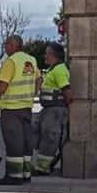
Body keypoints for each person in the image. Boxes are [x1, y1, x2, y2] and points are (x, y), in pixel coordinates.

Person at [0, 35, 40, 186]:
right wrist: (32, 93)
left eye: (6, 45)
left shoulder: (11, 62)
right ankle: (26, 173)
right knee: (26, 140)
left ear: (12, 45)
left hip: (11, 108)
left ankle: (14, 175)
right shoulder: (31, 60)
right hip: (26, 107)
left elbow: (2, 85)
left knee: (14, 141)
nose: (5, 47)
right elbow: (40, 79)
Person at [34, 42, 71, 176]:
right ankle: (43, 163)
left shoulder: (60, 70)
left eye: (47, 53)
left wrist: (66, 106)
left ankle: (43, 167)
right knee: (38, 130)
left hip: (55, 110)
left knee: (51, 137)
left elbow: (66, 90)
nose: (45, 56)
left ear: (52, 55)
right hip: (49, 109)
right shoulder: (54, 69)